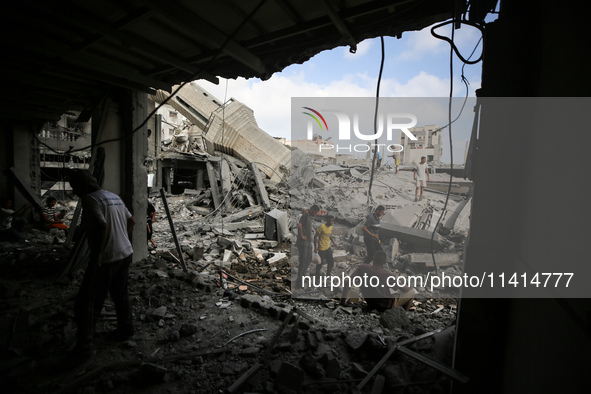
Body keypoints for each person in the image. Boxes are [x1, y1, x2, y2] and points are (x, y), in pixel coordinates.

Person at [67, 169, 136, 359]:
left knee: (87, 301)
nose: (74, 192)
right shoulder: (112, 196)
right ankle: (126, 329)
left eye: (75, 187)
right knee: (120, 295)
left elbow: (100, 225)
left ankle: (84, 347)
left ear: (84, 185)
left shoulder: (90, 200)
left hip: (107, 258)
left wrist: (97, 255)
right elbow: (132, 221)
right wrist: (121, 239)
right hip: (125, 253)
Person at [340, 251, 414, 312]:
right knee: (411, 292)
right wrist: (409, 287)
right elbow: (403, 288)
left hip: (371, 304)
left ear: (373, 258)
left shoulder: (362, 267)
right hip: (386, 307)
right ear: (385, 262)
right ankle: (402, 315)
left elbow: (348, 281)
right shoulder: (387, 274)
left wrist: (343, 301)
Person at [295, 204, 320, 288]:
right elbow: (299, 225)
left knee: (309, 259)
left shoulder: (308, 216)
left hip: (308, 242)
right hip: (303, 242)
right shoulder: (305, 215)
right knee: (303, 260)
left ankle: (304, 275)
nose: (316, 214)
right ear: (312, 209)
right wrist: (302, 235)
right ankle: (299, 279)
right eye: (315, 212)